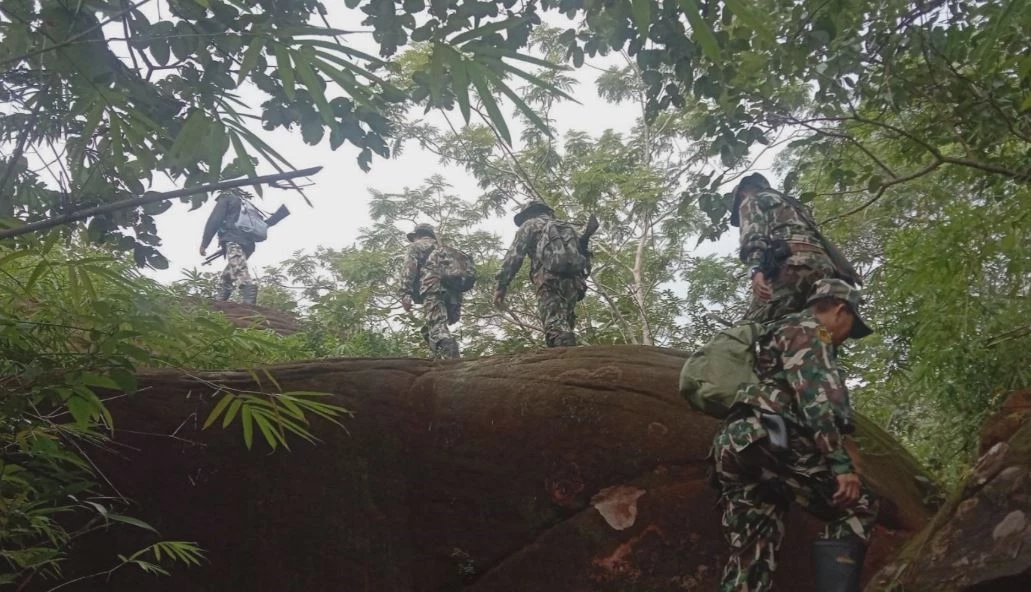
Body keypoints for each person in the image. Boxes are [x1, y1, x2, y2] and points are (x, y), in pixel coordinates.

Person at [712, 278, 878, 592]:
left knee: (752, 554)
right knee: (858, 503)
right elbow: (817, 399)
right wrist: (841, 466)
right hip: (769, 441)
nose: (846, 339)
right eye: (851, 328)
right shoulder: (813, 331)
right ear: (841, 311)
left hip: (735, 446)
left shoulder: (775, 330)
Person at [731, 173, 843, 323]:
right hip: (825, 269)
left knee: (750, 331)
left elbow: (754, 236)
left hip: (793, 266)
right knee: (809, 327)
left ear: (742, 194)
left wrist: (755, 270)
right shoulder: (796, 206)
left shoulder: (751, 200)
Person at [493, 201, 593, 347]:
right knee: (565, 321)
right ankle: (569, 355)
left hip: (548, 280)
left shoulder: (529, 225)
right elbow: (584, 257)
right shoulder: (567, 227)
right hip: (574, 283)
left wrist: (501, 286)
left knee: (555, 325)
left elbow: (514, 257)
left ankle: (563, 363)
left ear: (527, 215)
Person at [400, 223, 461, 360]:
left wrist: (405, 293)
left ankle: (452, 361)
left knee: (437, 327)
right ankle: (436, 357)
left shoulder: (416, 246)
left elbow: (409, 269)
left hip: (433, 288)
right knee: (430, 329)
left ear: (417, 235)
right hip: (453, 293)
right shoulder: (445, 249)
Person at [200, 189, 259, 304]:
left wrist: (204, 243)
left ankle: (249, 294)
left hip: (233, 238)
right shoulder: (247, 205)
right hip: (249, 243)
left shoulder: (226, 199)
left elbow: (214, 220)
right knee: (231, 270)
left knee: (238, 266)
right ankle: (222, 296)